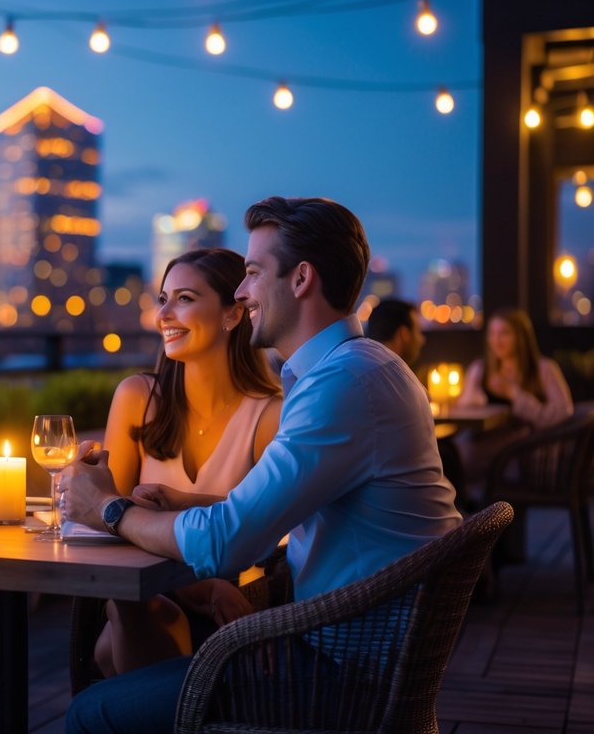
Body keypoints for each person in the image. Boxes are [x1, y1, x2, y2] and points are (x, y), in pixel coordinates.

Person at [62, 196, 461, 734]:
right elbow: (296, 509)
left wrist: (106, 508)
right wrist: (193, 502)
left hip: (340, 674)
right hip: (358, 653)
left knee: (93, 711)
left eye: (251, 273)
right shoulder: (355, 371)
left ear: (301, 279)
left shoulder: (343, 386)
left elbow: (228, 544)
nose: (244, 291)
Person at [93, 248, 282, 676]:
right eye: (162, 299)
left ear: (233, 314)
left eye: (184, 298)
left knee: (119, 633)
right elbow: (109, 521)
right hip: (152, 590)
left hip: (238, 606)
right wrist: (200, 586)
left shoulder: (268, 415)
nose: (164, 314)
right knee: (138, 605)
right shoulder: (137, 398)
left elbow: (278, 529)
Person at [454, 306, 574, 500]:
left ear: (521, 337)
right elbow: (463, 408)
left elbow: (562, 413)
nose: (496, 341)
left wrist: (515, 394)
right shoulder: (480, 369)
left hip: (524, 448)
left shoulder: (543, 369)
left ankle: (473, 509)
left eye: (504, 333)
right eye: (492, 333)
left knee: (460, 457)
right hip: (484, 437)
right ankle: (469, 510)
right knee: (452, 452)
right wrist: (478, 398)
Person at [366, 297, 425, 367]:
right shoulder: (396, 375)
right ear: (404, 334)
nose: (422, 340)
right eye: (418, 331)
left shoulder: (363, 366)